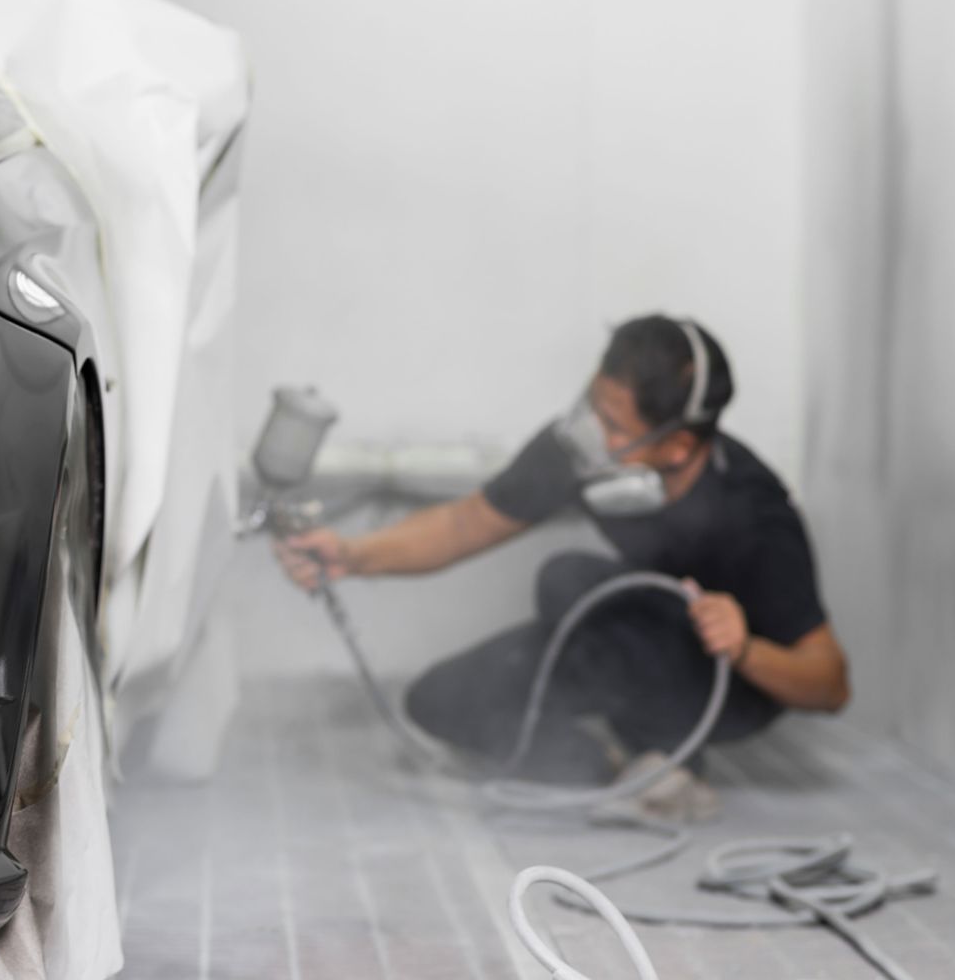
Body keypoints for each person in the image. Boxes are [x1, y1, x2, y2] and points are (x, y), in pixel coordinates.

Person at [276, 315, 849, 818]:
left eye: (616, 428)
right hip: (625, 641)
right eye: (592, 407)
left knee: (568, 578)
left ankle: (673, 763)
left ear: (676, 449)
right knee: (441, 702)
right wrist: (351, 555)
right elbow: (465, 523)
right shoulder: (577, 450)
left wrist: (743, 646)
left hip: (732, 680)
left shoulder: (753, 514)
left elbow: (829, 683)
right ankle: (612, 763)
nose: (591, 436)